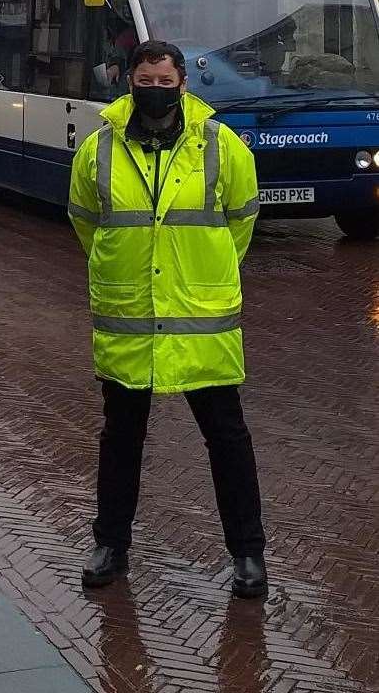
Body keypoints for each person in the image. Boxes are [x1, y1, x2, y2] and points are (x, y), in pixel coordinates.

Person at [67, 40, 267, 599]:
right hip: (129, 319)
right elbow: (85, 220)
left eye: (165, 80)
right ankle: (110, 545)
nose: (154, 89)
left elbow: (242, 221)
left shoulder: (222, 147)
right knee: (120, 439)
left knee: (228, 439)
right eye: (145, 80)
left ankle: (249, 555)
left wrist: (204, 277)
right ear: (128, 80)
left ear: (183, 84)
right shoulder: (98, 148)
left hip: (202, 323)